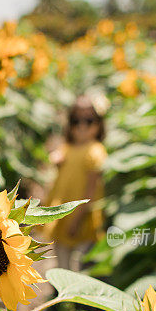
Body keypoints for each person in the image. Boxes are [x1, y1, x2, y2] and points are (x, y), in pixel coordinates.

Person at [44, 90, 108, 271]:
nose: (81, 126)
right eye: (76, 121)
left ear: (99, 124)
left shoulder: (95, 151)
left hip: (81, 215)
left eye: (88, 121)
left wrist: (76, 219)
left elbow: (91, 190)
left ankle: (72, 295)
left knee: (78, 262)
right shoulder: (69, 147)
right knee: (61, 254)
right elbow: (60, 158)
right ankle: (61, 293)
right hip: (64, 208)